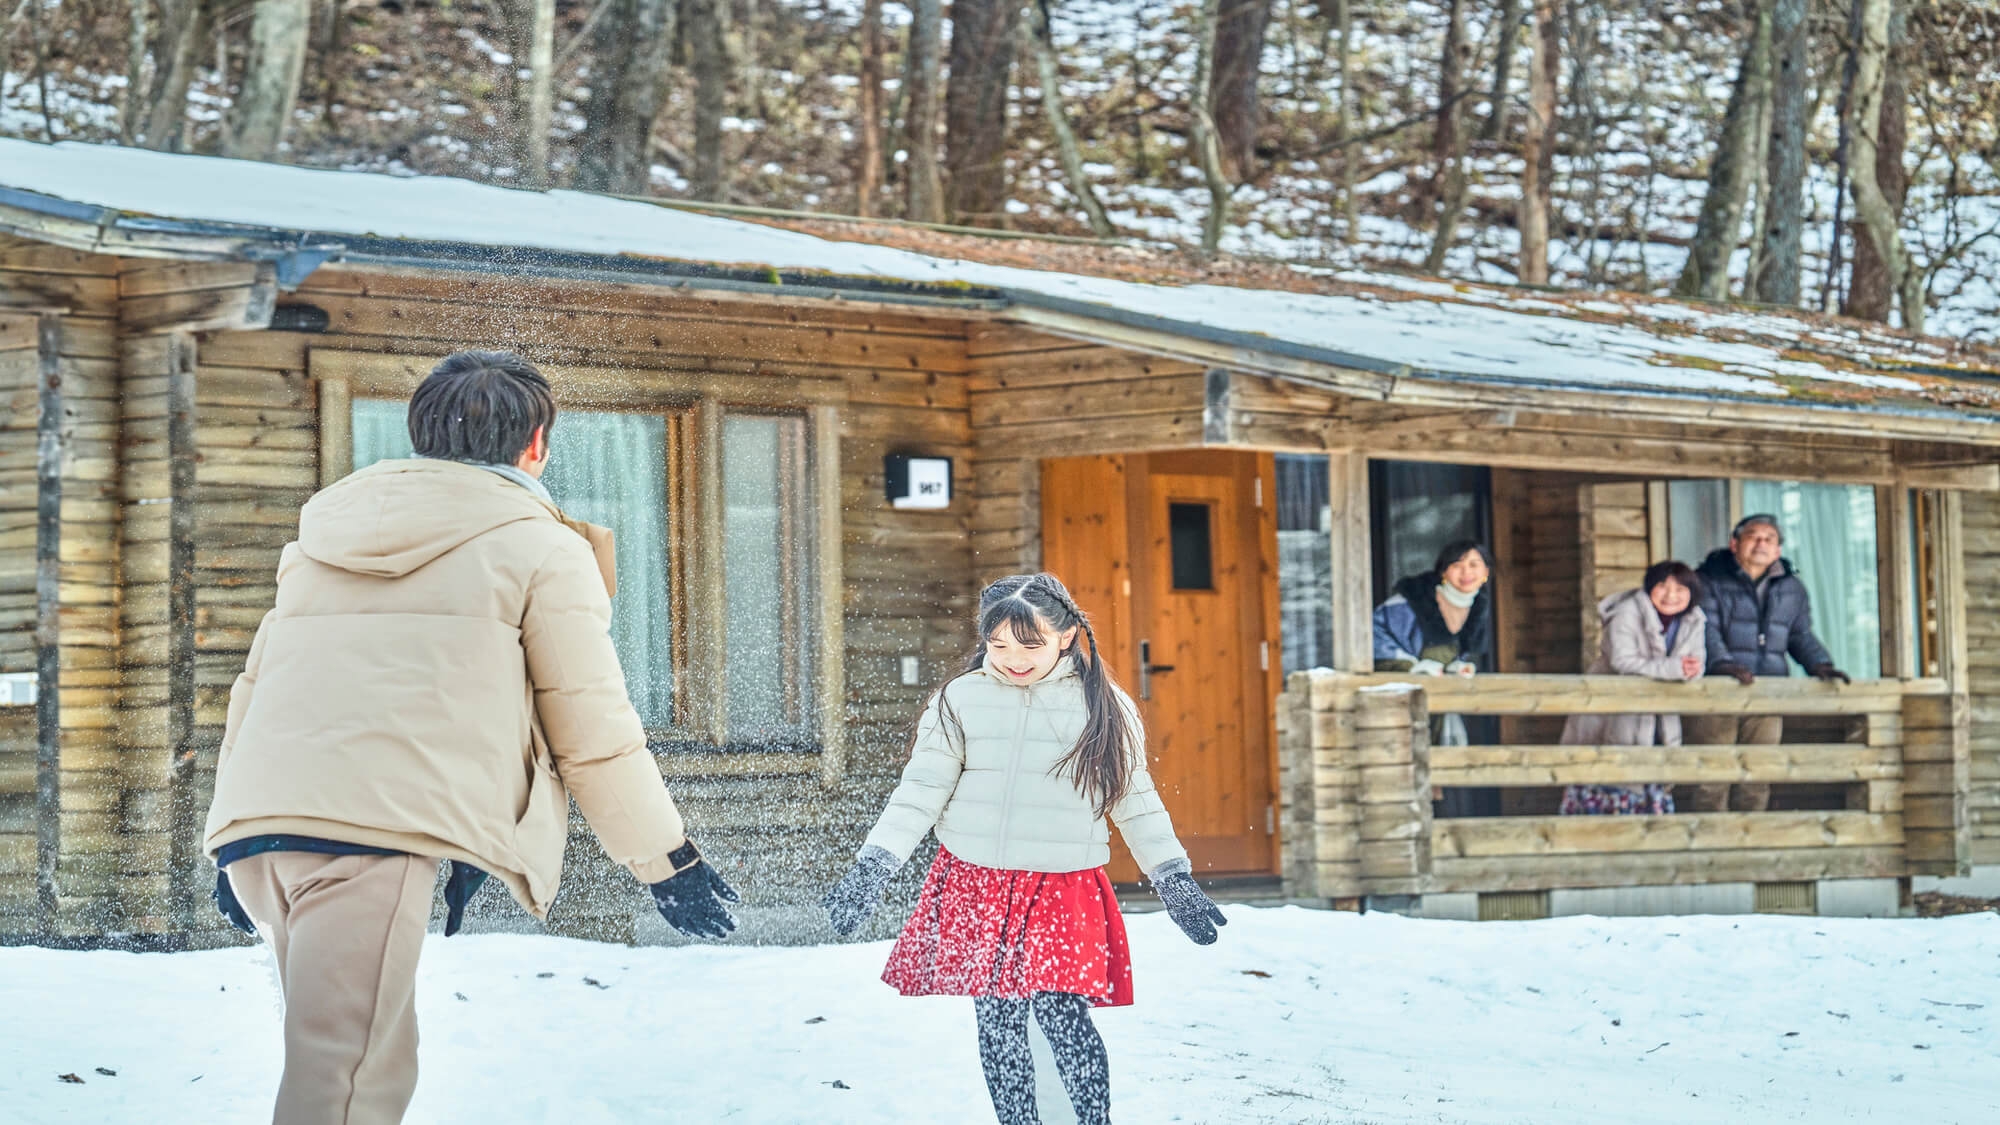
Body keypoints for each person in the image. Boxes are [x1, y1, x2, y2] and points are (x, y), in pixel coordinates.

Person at [202, 350, 739, 1125]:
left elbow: (255, 690)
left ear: (422, 434)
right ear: (536, 444)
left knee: (354, 1061)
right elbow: (592, 728)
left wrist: (233, 832)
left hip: (268, 832)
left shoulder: (326, 537)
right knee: (348, 1081)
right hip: (371, 837)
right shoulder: (541, 547)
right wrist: (666, 860)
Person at [821, 573, 1225, 1125]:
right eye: (999, 645)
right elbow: (919, 792)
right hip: (978, 882)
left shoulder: (1104, 707)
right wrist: (874, 866)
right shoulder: (960, 700)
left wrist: (1172, 877)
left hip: (1062, 885)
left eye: (1030, 645)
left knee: (1063, 1013)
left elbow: (1136, 802)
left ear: (1067, 635)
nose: (1013, 659)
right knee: (999, 1021)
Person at [1687, 513, 1851, 812]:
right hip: (1718, 692)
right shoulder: (1708, 580)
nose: (1761, 544)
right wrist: (1722, 665)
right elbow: (1705, 629)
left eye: (1769, 539)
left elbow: (1799, 634)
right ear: (1734, 544)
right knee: (1714, 772)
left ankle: (1752, 835)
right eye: (1753, 537)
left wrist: (1820, 664)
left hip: (1768, 692)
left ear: (1778, 550)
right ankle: (1713, 838)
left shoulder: (1791, 588)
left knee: (1759, 772)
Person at [1559, 561, 1707, 816]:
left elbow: (1696, 659)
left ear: (1691, 594)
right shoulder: (1627, 612)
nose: (1671, 595)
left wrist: (1693, 670)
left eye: (1680, 589)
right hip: (1613, 713)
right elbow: (1622, 661)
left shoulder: (1694, 619)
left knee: (1654, 785)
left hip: (1660, 719)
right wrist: (1675, 669)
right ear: (1650, 587)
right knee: (1610, 782)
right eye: (1663, 586)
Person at [1372, 540, 1495, 757]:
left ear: (1486, 572)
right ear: (1443, 571)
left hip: (1438, 700)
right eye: (1457, 565)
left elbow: (1455, 650)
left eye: (1474, 565)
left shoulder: (1478, 606)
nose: (1466, 572)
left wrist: (1455, 667)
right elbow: (1374, 635)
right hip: (1399, 698)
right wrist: (1411, 666)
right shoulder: (1411, 601)